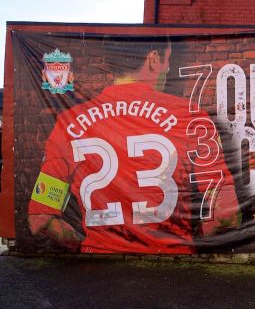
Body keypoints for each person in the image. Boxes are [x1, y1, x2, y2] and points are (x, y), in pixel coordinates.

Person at [28, 37, 240, 254]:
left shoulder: (68, 124)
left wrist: (82, 246)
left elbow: (40, 219)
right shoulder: (191, 117)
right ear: (154, 60)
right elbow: (225, 213)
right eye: (167, 60)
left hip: (98, 270)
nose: (168, 68)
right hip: (174, 268)